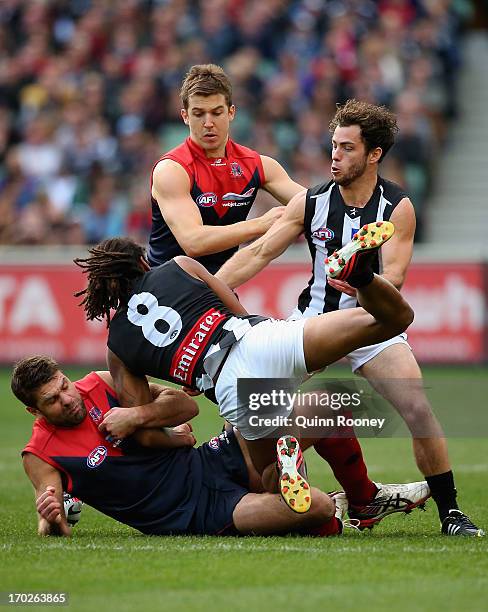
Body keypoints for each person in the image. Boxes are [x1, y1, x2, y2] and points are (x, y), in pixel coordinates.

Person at [216, 99, 484, 537]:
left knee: (417, 407)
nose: (334, 156)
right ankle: (254, 492)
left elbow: (394, 278)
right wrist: (207, 290)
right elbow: (261, 251)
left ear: (374, 154)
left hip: (368, 324)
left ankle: (451, 514)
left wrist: (365, 283)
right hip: (315, 323)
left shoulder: (398, 207)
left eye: (346, 148)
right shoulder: (312, 201)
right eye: (333, 146)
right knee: (246, 411)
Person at [73, 233, 421, 517]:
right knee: (394, 319)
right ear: (142, 263)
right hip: (261, 340)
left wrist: (187, 375)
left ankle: (289, 456)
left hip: (227, 383)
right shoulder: (181, 265)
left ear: (105, 290)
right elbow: (239, 311)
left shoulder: (117, 347)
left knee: (268, 479)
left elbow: (145, 434)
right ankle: (360, 275)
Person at [14, 356, 348, 537]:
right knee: (317, 506)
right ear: (34, 410)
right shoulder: (40, 452)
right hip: (193, 514)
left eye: (64, 386)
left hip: (208, 461)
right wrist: (51, 520)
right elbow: (51, 518)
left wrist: (136, 416)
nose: (68, 399)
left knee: (328, 404)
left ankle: (360, 499)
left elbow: (187, 407)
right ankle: (295, 496)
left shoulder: (97, 383)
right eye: (53, 400)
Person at [147, 64, 304, 273]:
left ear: (231, 112)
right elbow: (193, 242)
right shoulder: (172, 170)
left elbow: (316, 205)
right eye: (199, 114)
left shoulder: (259, 165)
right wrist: (260, 224)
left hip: (216, 288)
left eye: (216, 112)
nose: (208, 123)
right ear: (185, 116)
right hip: (165, 292)